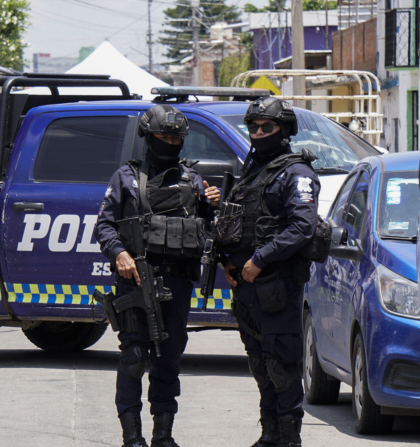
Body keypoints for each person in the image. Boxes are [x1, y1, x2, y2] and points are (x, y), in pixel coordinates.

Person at [95, 105, 220, 447]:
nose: (170, 142)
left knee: (168, 358)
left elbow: (208, 228)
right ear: (148, 138)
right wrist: (119, 253)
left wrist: (211, 204)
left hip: (177, 281)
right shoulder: (125, 177)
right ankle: (132, 438)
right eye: (163, 137)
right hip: (136, 278)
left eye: (175, 138)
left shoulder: (192, 179)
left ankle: (163, 435)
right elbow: (104, 225)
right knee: (135, 357)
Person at [218, 97, 320, 447]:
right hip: (247, 288)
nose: (258, 133)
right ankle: (269, 435)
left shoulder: (297, 173)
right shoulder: (251, 171)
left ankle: (289, 440)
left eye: (267, 127)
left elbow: (302, 227)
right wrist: (230, 260)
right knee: (261, 365)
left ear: (283, 131)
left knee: (282, 367)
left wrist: (260, 259)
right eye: (254, 127)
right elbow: (239, 223)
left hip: (278, 286)